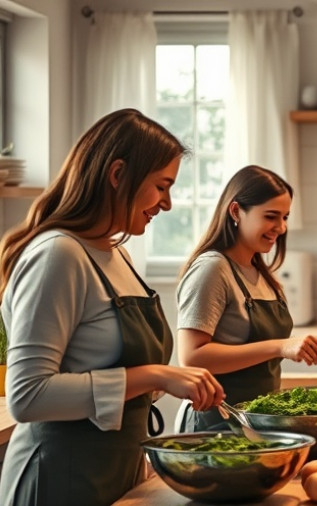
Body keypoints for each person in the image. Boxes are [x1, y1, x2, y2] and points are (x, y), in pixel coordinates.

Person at [0, 109, 225, 505]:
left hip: (116, 471)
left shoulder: (117, 254)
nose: (168, 204)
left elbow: (111, 369)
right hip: (57, 477)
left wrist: (167, 379)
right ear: (118, 174)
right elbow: (27, 395)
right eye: (161, 186)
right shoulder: (59, 253)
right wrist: (155, 374)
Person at [176, 165, 317, 432]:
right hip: (218, 427)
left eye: (285, 217)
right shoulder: (213, 269)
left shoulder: (262, 274)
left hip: (257, 424)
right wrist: (280, 347)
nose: (280, 228)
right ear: (236, 211)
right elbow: (192, 357)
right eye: (271, 216)